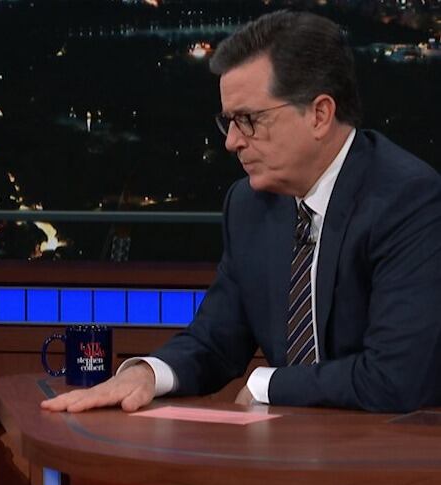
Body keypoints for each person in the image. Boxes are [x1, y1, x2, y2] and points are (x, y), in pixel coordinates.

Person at [42, 10, 441, 415]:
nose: (232, 141)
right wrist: (147, 374)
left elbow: (396, 377)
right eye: (228, 121)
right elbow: (215, 340)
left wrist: (268, 383)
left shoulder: (406, 200)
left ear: (319, 114)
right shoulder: (250, 205)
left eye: (248, 119)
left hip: (392, 445)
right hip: (291, 443)